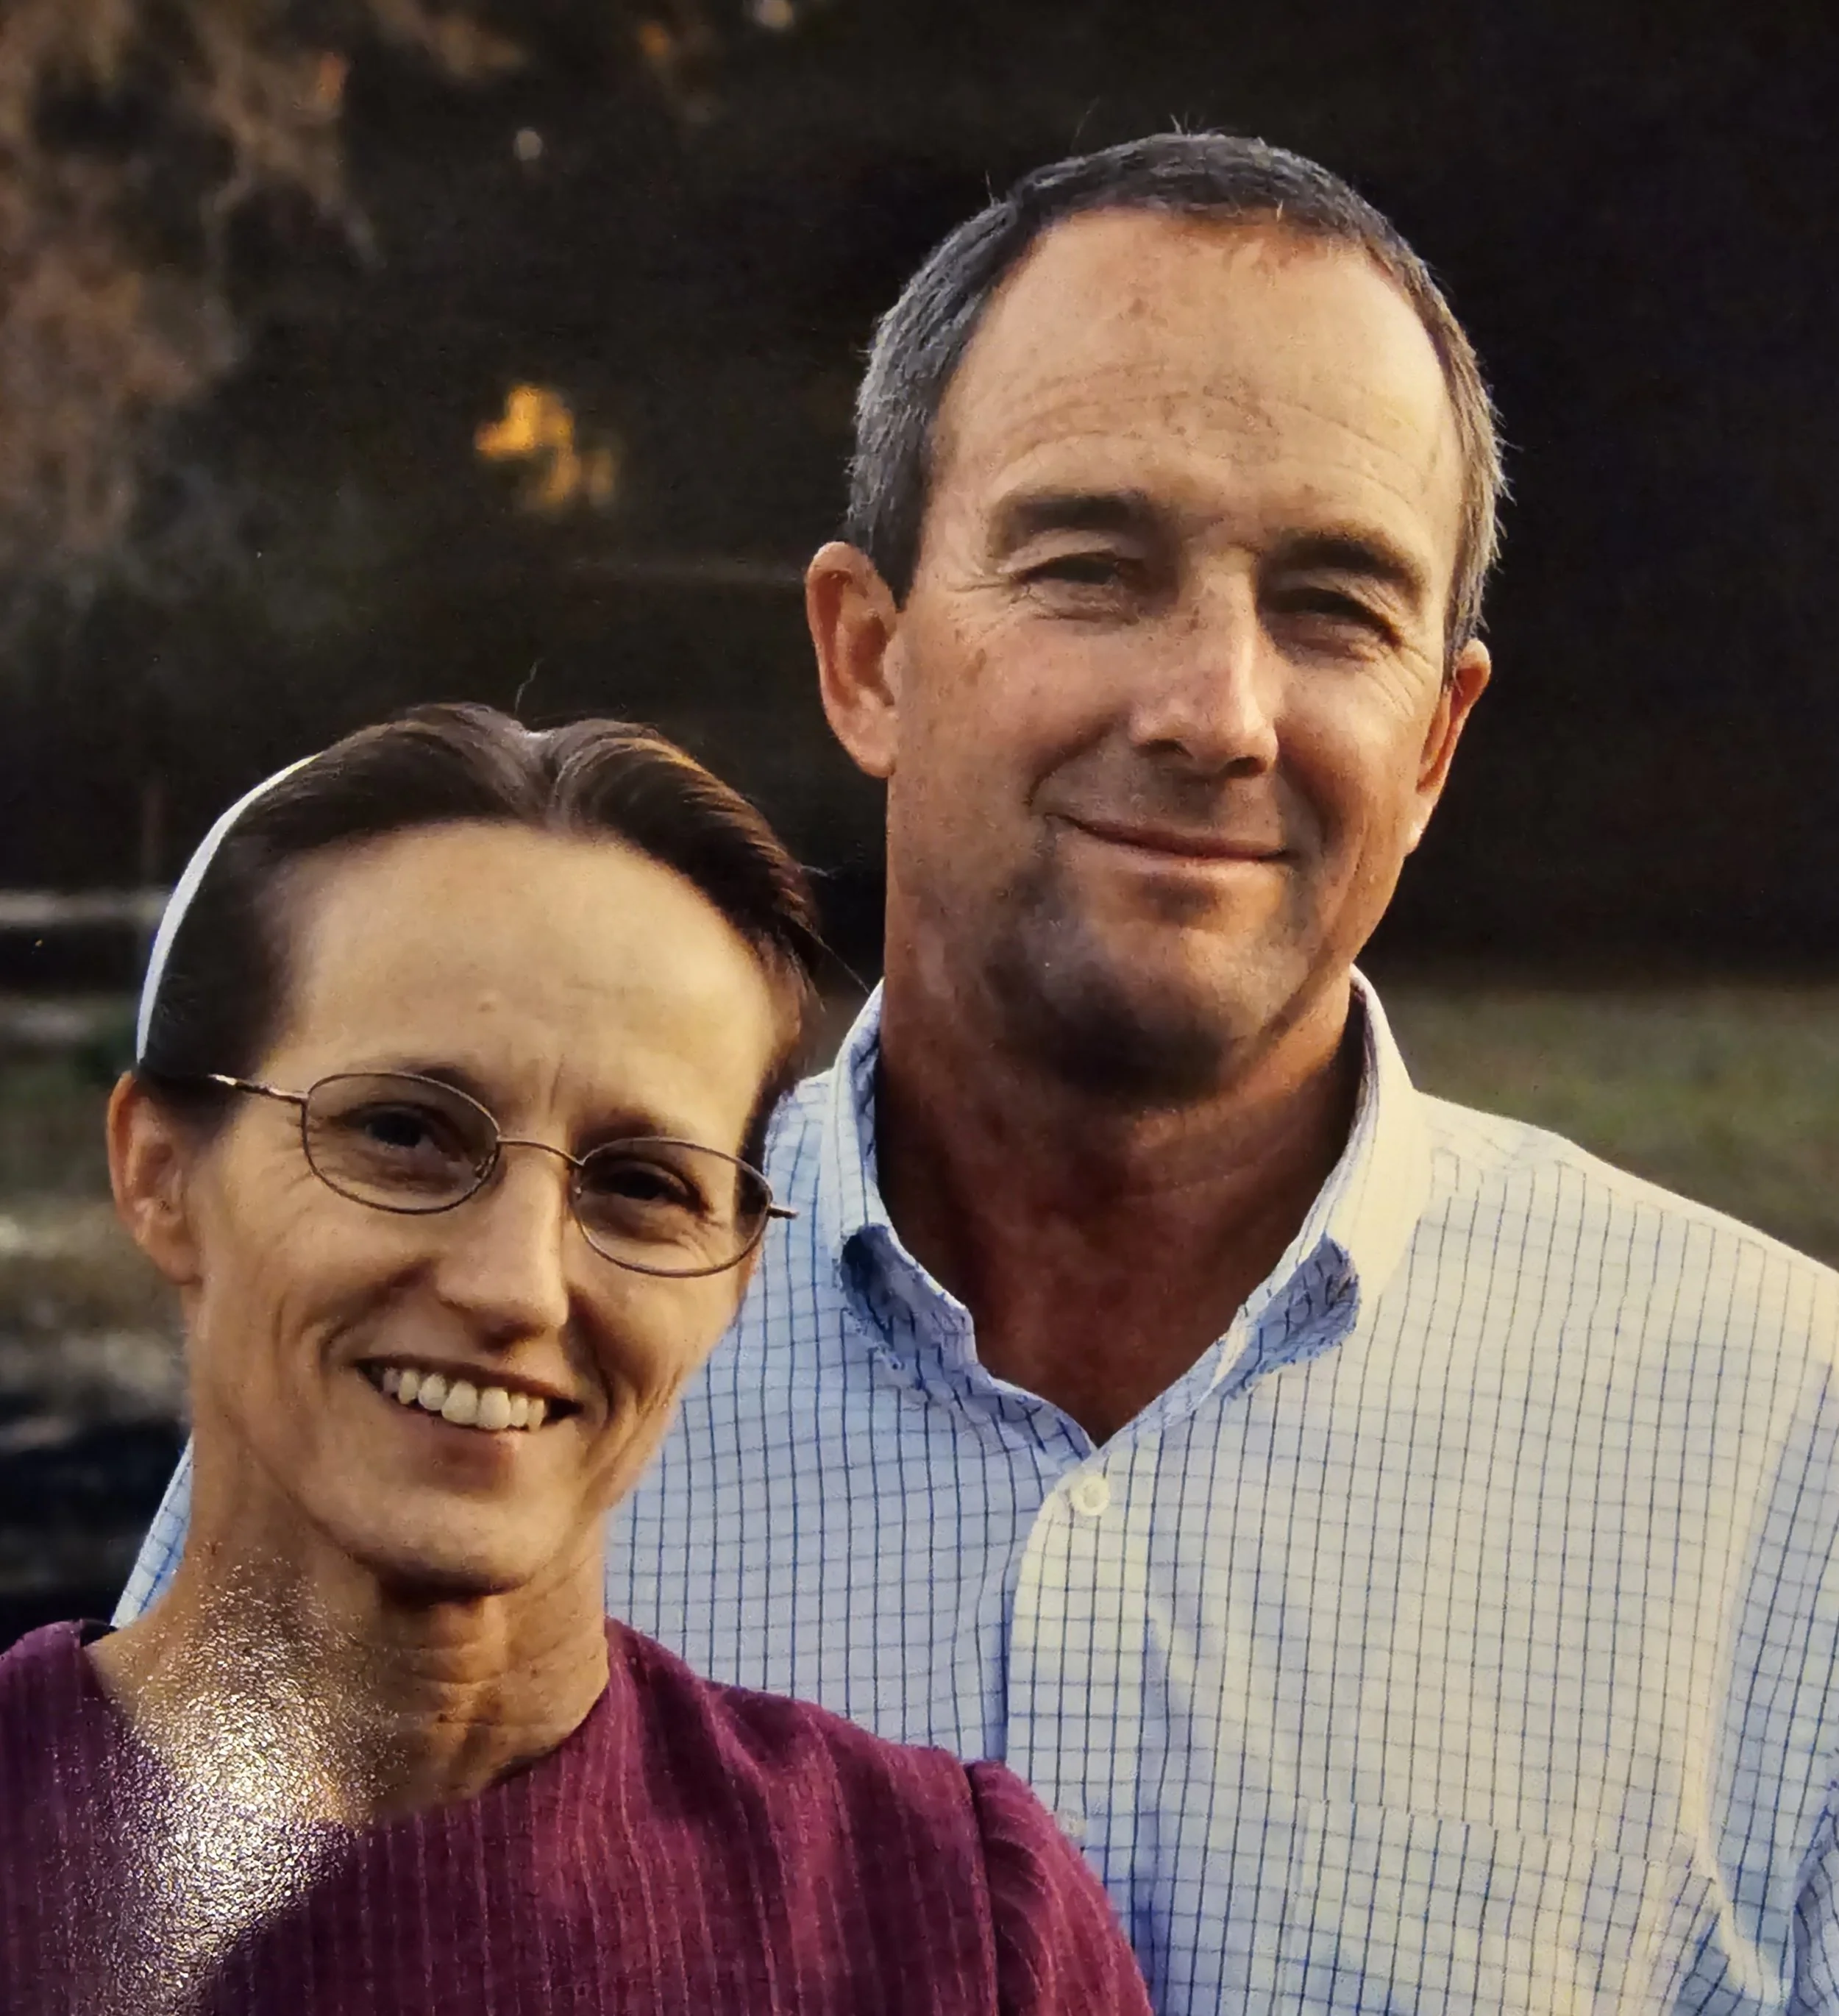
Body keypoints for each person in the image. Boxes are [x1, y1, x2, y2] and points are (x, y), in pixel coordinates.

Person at [123, 134, 1839, 2012]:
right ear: (866, 656)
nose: (1211, 709)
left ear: (1433, 741)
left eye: (1333, 605)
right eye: (1091, 565)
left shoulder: (1779, 1460)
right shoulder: (477, 1358)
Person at [1, 705, 1151, 2016]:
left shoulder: (944, 1929)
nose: (515, 1284)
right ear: (159, 1173)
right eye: (404, 1133)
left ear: (735, 1269)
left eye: (645, 1185)